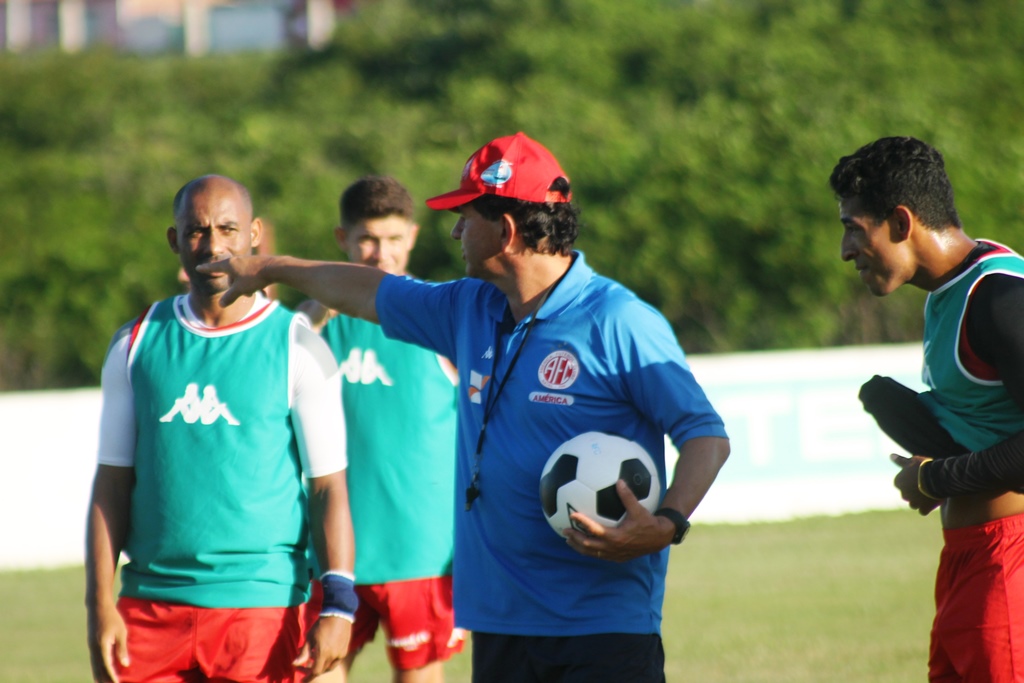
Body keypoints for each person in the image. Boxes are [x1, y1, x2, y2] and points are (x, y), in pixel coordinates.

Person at [199, 132, 730, 683]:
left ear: (504, 230)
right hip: (500, 626)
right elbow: (363, 290)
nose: (454, 230)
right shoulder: (468, 307)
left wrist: (667, 524)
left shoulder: (619, 320)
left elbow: (706, 436)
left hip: (601, 630)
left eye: (464, 215)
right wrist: (269, 268)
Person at [85, 174, 357, 683]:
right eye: (196, 230)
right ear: (174, 240)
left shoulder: (298, 345)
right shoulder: (136, 343)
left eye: (228, 229)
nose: (213, 245)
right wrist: (99, 605)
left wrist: (338, 605)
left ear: (253, 234)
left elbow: (328, 489)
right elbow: (111, 485)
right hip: (147, 609)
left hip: (260, 610)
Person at [831, 136, 1024, 682]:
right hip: (968, 562)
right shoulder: (950, 293)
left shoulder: (1000, 298)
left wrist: (939, 478)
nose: (845, 250)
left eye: (852, 227)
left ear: (900, 221)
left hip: (1010, 566)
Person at [302, 175, 464, 682]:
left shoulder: (442, 317)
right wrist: (311, 311)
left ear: (412, 237)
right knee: (313, 672)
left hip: (421, 552)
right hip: (329, 555)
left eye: (393, 240)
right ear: (342, 239)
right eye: (368, 240)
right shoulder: (309, 329)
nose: (380, 254)